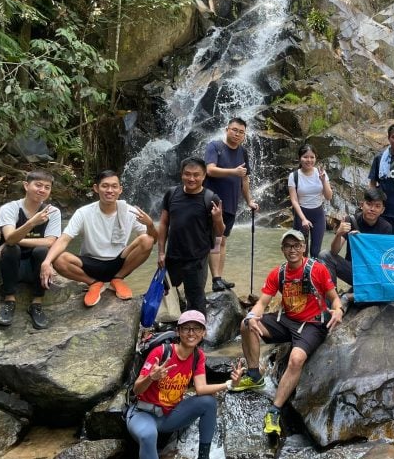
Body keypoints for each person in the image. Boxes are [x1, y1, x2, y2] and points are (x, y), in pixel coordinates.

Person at [233, 230, 343, 436]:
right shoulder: (278, 273)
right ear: (282, 249)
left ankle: (274, 411)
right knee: (246, 325)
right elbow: (262, 303)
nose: (292, 250)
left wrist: (338, 310)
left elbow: (334, 298)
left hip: (312, 324)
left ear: (303, 248)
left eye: (296, 245)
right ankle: (254, 374)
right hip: (287, 320)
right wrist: (251, 316)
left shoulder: (317, 270)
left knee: (295, 359)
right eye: (287, 246)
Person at [125, 310, 232, 459]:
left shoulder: (198, 356)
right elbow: (137, 390)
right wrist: (152, 378)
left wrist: (228, 383)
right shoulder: (161, 353)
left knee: (208, 403)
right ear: (178, 332)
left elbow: (200, 389)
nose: (191, 333)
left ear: (203, 333)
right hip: (143, 414)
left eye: (196, 328)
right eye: (186, 329)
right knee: (148, 435)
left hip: (169, 416)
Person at [39, 171, 157, 306]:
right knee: (58, 259)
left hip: (119, 263)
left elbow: (153, 241)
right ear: (96, 188)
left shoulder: (129, 211)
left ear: (120, 189)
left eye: (114, 186)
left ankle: (117, 279)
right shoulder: (84, 212)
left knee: (146, 239)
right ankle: (94, 283)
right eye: (105, 186)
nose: (110, 190)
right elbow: (64, 239)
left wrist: (150, 225)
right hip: (90, 264)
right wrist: (46, 262)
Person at [0, 170, 61, 329]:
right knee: (11, 249)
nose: (42, 190)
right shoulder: (10, 208)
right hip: (9, 265)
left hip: (35, 269)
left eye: (47, 187)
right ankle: (9, 299)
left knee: (42, 251)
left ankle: (36, 303)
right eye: (38, 185)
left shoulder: (53, 212)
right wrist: (32, 223)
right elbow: (10, 238)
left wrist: (14, 240)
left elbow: (51, 242)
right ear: (26, 185)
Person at [157, 158, 224, 315]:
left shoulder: (211, 198)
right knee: (165, 294)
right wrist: (161, 252)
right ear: (181, 175)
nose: (191, 179)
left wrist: (218, 218)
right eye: (187, 174)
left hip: (197, 259)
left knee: (196, 302)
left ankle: (197, 334)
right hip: (173, 256)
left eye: (196, 175)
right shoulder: (171, 194)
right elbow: (163, 224)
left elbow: (220, 232)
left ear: (204, 176)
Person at [205, 117, 259, 292]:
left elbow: (244, 178)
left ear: (244, 135)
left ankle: (219, 277)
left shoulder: (243, 152)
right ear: (227, 129)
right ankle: (215, 279)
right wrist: (233, 171)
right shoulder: (215, 146)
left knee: (223, 241)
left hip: (231, 204)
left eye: (241, 132)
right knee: (215, 239)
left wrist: (249, 200)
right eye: (234, 130)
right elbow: (210, 170)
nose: (237, 134)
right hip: (213, 202)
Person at [318, 187, 392, 289]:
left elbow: (383, 259)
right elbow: (334, 251)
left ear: (382, 210)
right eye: (369, 204)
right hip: (352, 270)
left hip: (372, 274)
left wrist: (363, 241)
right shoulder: (351, 220)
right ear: (362, 205)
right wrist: (339, 234)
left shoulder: (386, 228)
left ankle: (350, 296)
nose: (372, 209)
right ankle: (332, 299)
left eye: (377, 206)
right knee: (324, 255)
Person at [288, 143, 333, 258]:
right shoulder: (294, 176)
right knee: (301, 251)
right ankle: (301, 275)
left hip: (318, 215)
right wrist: (303, 219)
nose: (309, 160)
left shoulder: (321, 173)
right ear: (300, 158)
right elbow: (294, 201)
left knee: (315, 252)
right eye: (305, 157)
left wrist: (323, 181)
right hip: (301, 214)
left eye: (312, 157)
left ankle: (312, 275)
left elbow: (329, 196)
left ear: (315, 158)